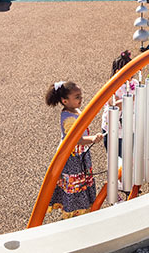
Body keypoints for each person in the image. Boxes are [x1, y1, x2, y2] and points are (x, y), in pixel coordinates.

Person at [45, 81, 102, 218]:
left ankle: (82, 208)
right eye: (77, 97)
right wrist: (93, 138)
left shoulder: (74, 110)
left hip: (80, 154)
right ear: (65, 101)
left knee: (82, 181)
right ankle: (73, 211)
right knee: (75, 183)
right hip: (73, 157)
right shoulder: (68, 118)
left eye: (81, 96)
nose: (80, 99)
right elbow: (76, 139)